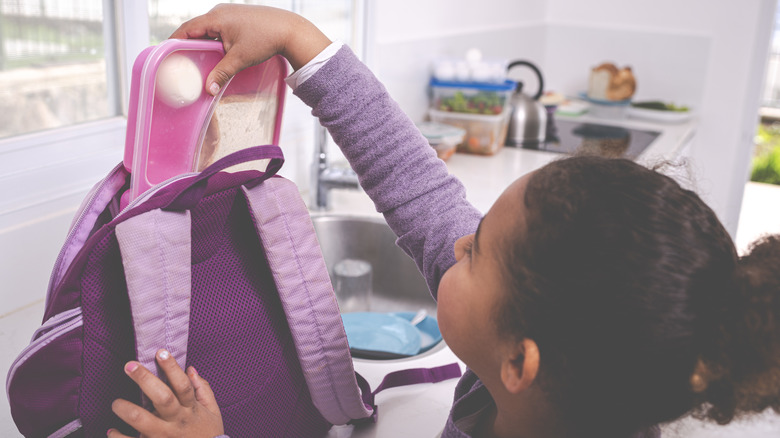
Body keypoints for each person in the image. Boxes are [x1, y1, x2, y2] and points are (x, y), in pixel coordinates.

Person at [107, 4, 780, 438]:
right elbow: (417, 184)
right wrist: (297, 39)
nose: (457, 237)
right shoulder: (565, 374)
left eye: (477, 250)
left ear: (519, 360)